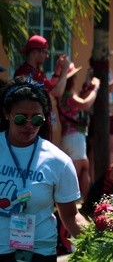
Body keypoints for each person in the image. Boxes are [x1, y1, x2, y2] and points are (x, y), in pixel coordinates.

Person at [0, 76, 88, 261]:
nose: (29, 125)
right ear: (6, 113)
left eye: (37, 119)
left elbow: (71, 216)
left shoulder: (58, 161)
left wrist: (99, 242)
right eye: (21, 118)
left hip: (40, 255)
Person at [57, 63, 100, 201]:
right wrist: (95, 89)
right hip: (75, 137)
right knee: (78, 170)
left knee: (83, 168)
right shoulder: (68, 95)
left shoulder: (63, 96)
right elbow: (85, 104)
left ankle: (80, 200)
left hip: (68, 136)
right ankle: (71, 201)